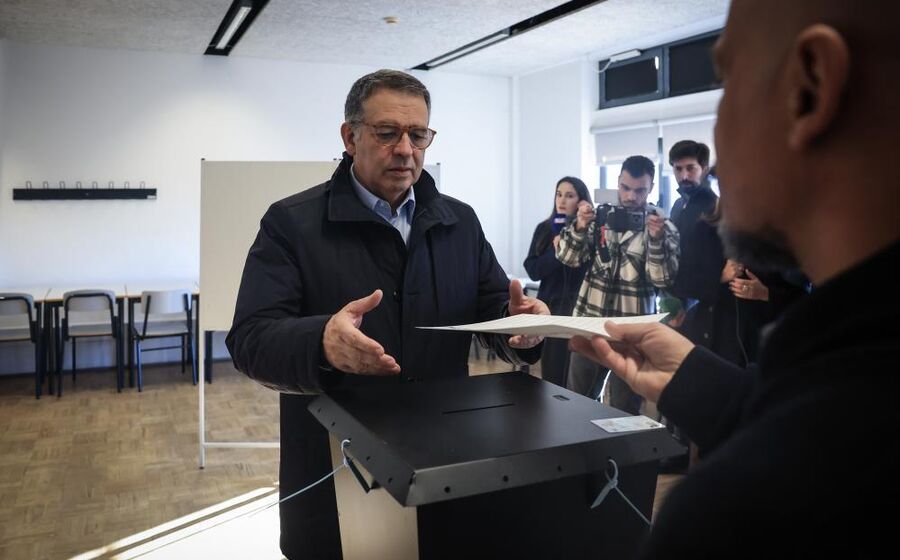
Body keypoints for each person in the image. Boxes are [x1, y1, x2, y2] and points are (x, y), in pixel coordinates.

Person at [570, 1, 900, 556]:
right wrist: (709, 388)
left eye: (728, 83)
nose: (714, 162)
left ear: (810, 87)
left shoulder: (739, 516)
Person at [226, 69, 548, 560]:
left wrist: (520, 325)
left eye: (418, 135)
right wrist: (321, 343)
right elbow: (250, 339)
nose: (405, 149)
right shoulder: (291, 223)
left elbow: (492, 308)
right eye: (387, 133)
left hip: (445, 458)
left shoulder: (458, 221)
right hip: (335, 466)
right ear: (349, 137)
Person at [556, 155, 679, 410]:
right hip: (589, 324)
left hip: (631, 334)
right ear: (617, 182)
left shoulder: (663, 228)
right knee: (575, 405)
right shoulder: (599, 217)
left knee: (624, 413)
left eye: (639, 190)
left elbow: (662, 279)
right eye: (625, 188)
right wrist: (579, 225)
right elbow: (567, 258)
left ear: (651, 188)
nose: (631, 196)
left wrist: (656, 240)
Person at [523, 176, 592, 387]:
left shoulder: (590, 232)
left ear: (581, 201)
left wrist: (571, 244)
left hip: (579, 310)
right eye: (558, 194)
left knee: (579, 380)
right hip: (550, 308)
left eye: (569, 196)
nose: (561, 200)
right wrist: (557, 252)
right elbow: (532, 270)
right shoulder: (544, 229)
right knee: (552, 375)